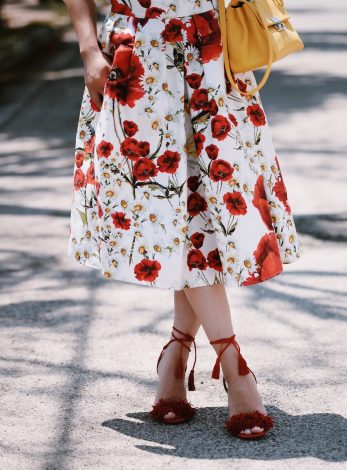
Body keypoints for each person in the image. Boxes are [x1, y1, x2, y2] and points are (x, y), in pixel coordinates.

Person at [64, 0, 301, 439]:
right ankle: (234, 367)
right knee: (172, 211)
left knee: (199, 216)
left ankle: (176, 355)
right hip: (137, 55)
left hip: (211, 51)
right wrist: (88, 50)